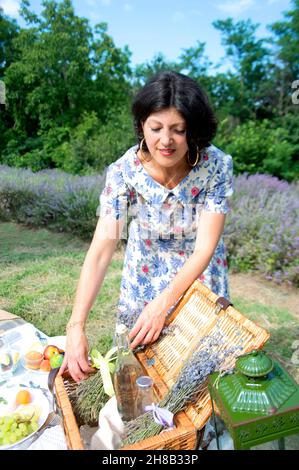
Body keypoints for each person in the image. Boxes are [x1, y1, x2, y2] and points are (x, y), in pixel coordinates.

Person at [59, 71, 233, 383]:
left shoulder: (216, 166)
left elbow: (205, 247)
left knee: (200, 371)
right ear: (141, 125)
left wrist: (164, 303)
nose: (165, 141)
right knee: (140, 370)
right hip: (145, 272)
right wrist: (76, 325)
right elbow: (102, 248)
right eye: (156, 128)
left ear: (193, 130)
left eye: (178, 130)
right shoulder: (124, 172)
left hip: (199, 271)